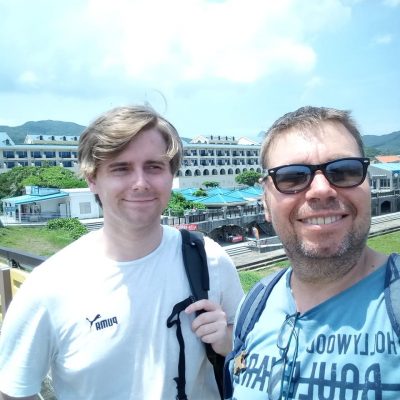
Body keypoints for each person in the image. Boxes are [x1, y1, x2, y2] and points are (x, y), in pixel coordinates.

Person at [0, 105, 244, 400]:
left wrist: (226, 341)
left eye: (154, 167)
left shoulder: (210, 260)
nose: (140, 183)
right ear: (92, 179)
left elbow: (248, 352)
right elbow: (15, 390)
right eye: (121, 168)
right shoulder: (48, 286)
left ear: (171, 175)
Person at [226, 106, 400, 399]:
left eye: (344, 171)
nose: (321, 189)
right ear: (265, 203)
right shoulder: (253, 307)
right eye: (292, 177)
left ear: (368, 184)